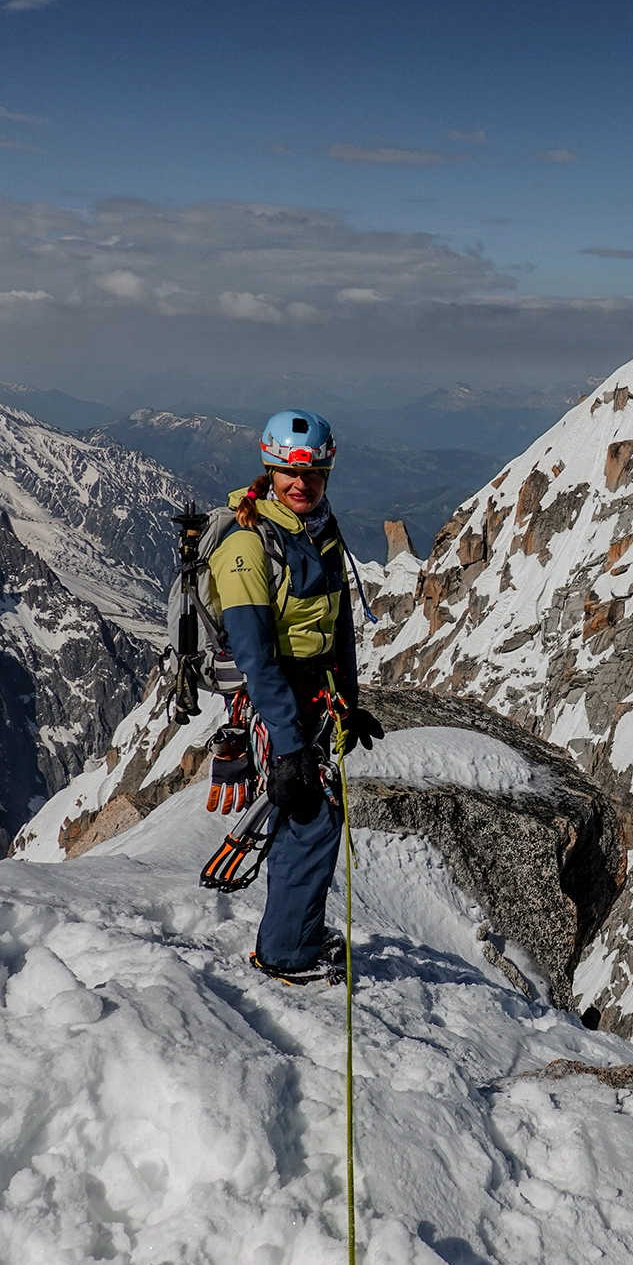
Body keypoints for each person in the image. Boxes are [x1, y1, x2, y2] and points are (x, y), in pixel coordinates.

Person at [209, 409, 384, 983]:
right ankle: (286, 954)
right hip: (275, 703)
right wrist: (286, 746)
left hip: (316, 700)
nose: (300, 484)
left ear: (327, 474)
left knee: (305, 816)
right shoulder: (248, 545)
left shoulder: (320, 534)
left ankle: (297, 935)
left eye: (311, 474)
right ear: (269, 469)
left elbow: (338, 631)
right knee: (312, 818)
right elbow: (256, 658)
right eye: (288, 472)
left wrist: (351, 703)